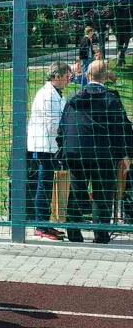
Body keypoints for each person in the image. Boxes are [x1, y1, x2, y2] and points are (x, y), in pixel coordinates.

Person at [57, 60, 133, 244]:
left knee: (76, 191)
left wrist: (63, 148)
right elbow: (121, 129)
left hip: (76, 152)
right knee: (102, 193)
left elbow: (63, 126)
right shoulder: (111, 100)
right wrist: (125, 154)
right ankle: (101, 234)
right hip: (102, 154)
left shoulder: (73, 98)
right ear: (106, 76)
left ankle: (74, 233)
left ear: (87, 75)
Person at [27, 64, 71, 241]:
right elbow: (53, 123)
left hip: (51, 145)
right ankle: (41, 225)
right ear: (56, 76)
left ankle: (45, 223)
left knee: (46, 184)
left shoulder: (56, 93)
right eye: (67, 76)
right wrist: (65, 136)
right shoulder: (47, 95)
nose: (69, 80)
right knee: (44, 184)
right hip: (45, 145)